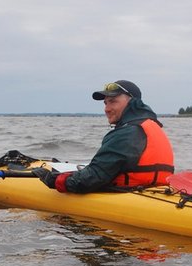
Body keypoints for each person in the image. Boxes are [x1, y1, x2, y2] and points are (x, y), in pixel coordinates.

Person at [35, 80, 175, 193]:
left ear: (132, 102)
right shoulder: (152, 125)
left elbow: (91, 179)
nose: (107, 109)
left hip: (129, 194)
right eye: (106, 103)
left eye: (113, 101)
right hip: (155, 190)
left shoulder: (127, 133)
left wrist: (56, 181)